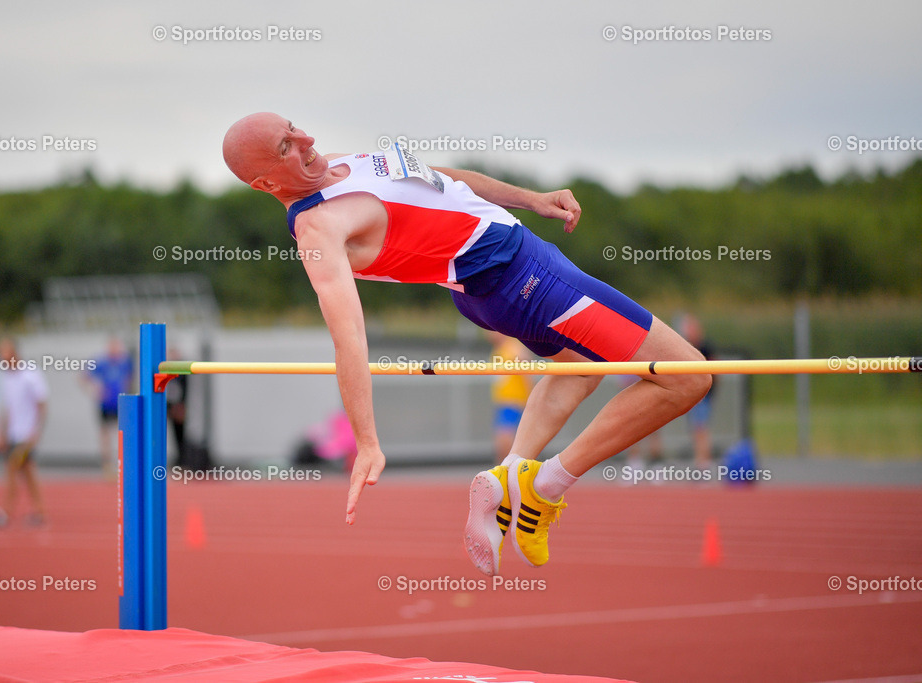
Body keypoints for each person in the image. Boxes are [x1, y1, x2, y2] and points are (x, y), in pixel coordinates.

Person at [221, 113, 711, 576]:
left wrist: (531, 199)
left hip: (501, 282)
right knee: (688, 376)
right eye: (287, 146)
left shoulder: (346, 163)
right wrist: (367, 440)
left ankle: (507, 478)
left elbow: (443, 180)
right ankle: (544, 485)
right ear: (265, 183)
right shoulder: (318, 229)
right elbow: (347, 336)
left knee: (581, 366)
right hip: (526, 281)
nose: (306, 141)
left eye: (294, 129)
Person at [0, 338, 48, 528]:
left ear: (14, 352)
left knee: (11, 469)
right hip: (14, 434)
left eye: (4, 353)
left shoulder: (30, 375)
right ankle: (39, 512)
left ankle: (5, 511)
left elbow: (42, 404)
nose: (1, 358)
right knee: (28, 474)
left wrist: (36, 431)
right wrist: (1, 432)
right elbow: (8, 408)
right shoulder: (8, 377)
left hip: (26, 435)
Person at [82, 337, 133, 480]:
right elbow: (84, 377)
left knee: (122, 433)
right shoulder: (101, 362)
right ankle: (107, 466)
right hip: (105, 404)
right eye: (112, 347)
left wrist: (127, 390)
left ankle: (124, 464)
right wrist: (95, 391)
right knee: (105, 435)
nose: (115, 350)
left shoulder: (125, 362)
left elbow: (130, 377)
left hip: (120, 403)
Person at [677, 312, 715, 469]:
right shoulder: (685, 346)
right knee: (696, 429)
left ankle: (703, 462)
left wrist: (707, 391)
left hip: (703, 395)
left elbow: (715, 371)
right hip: (692, 394)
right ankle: (700, 460)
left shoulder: (705, 347)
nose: (688, 331)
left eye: (691, 328)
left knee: (701, 428)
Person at [488, 332, 533, 464]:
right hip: (503, 401)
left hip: (514, 401)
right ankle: (505, 468)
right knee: (503, 439)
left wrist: (530, 397)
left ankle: (508, 468)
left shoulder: (512, 347)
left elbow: (526, 366)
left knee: (505, 438)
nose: (488, 334)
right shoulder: (499, 349)